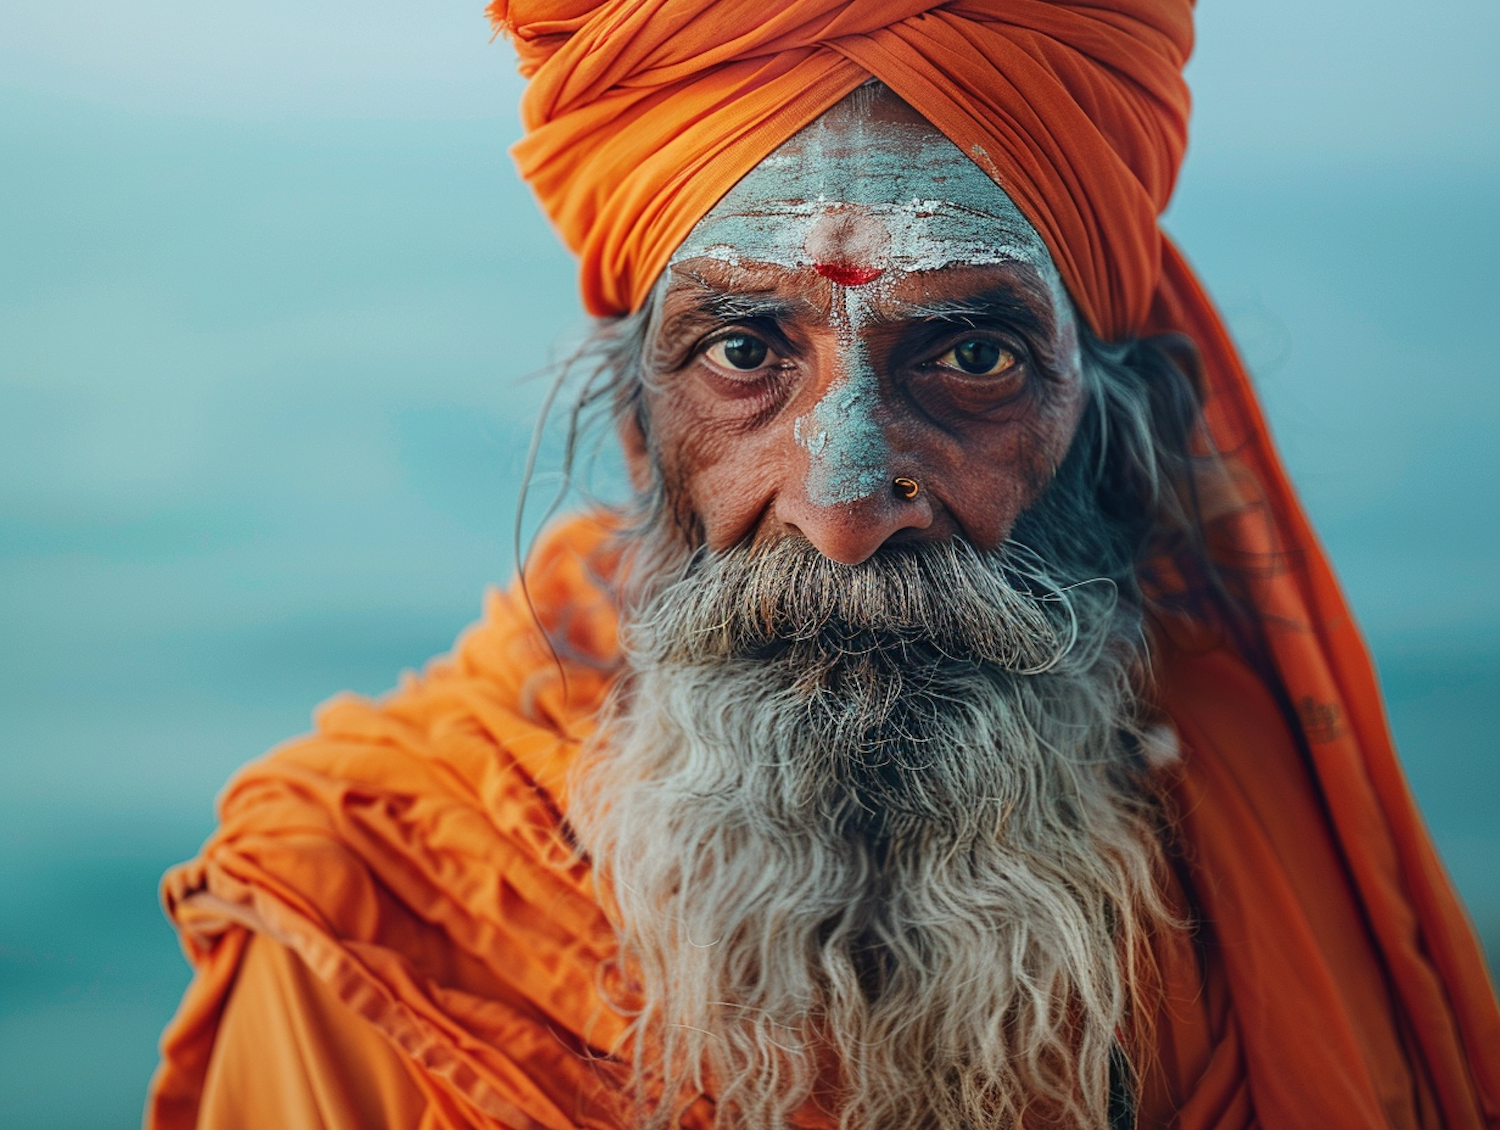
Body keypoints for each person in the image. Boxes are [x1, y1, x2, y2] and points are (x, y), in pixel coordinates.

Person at [146, 2, 1500, 1128]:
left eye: (970, 357)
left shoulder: (1238, 842)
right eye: (745, 353)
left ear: (1110, 434)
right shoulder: (368, 930)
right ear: (639, 426)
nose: (846, 509)